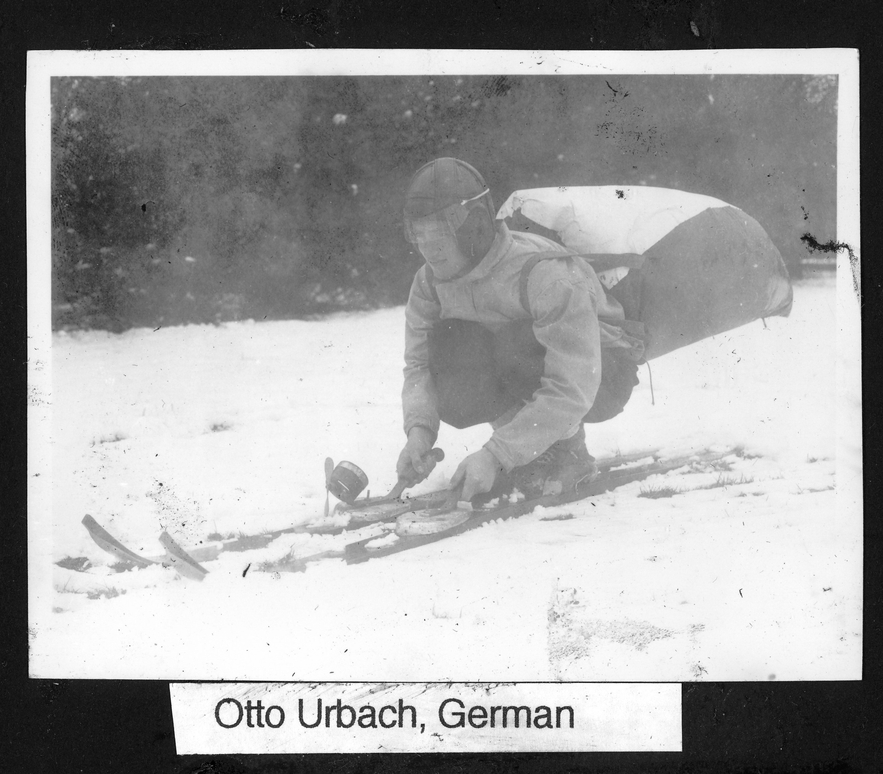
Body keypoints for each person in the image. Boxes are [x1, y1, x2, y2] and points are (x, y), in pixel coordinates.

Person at [395, 158, 645, 504]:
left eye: (439, 231)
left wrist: (495, 455)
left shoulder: (544, 274)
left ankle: (569, 450)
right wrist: (419, 432)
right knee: (450, 342)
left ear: (476, 225)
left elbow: (573, 385)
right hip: (537, 369)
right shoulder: (428, 282)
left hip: (602, 371)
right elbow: (420, 365)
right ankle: (533, 450)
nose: (428, 247)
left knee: (516, 341)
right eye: (419, 233)